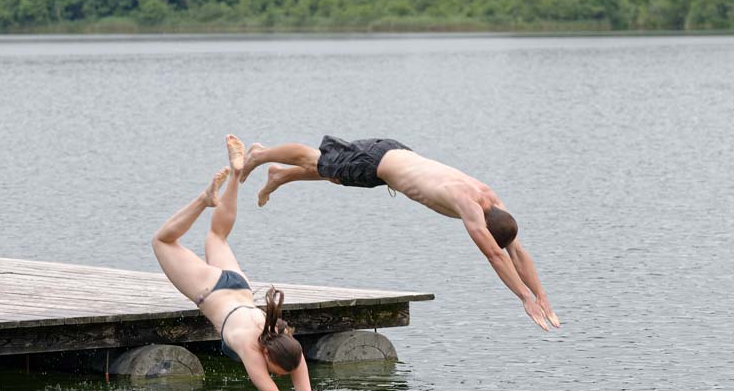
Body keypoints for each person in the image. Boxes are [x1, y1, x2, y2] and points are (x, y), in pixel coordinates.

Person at [239, 136, 560, 331]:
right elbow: (494, 254)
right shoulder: (468, 206)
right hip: (376, 161)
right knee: (317, 158)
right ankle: (261, 155)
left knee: (335, 173)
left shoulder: (491, 199)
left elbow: (516, 251)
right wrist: (524, 298)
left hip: (395, 154)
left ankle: (279, 175)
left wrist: (541, 296)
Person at [152, 135, 317, 391]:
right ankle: (204, 200)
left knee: (218, 235)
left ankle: (237, 174)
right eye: (274, 370)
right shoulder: (250, 346)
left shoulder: (288, 344)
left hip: (239, 287)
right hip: (211, 291)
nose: (275, 375)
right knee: (162, 241)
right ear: (267, 354)